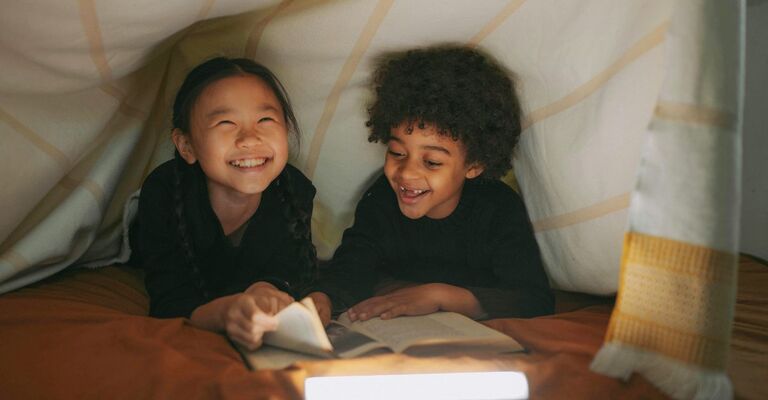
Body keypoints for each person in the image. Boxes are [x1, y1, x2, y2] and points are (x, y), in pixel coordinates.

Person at [314, 44, 554, 322]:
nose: (406, 173)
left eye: (432, 162)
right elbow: (352, 266)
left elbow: (533, 299)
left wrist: (439, 296)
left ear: (474, 165)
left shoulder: (498, 210)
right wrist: (324, 298)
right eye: (397, 153)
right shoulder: (382, 199)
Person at [129, 57, 330, 350]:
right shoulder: (162, 193)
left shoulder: (294, 190)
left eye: (265, 120)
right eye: (226, 123)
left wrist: (266, 290)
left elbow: (289, 268)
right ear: (186, 146)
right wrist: (226, 313)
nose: (250, 138)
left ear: (285, 129)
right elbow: (170, 299)